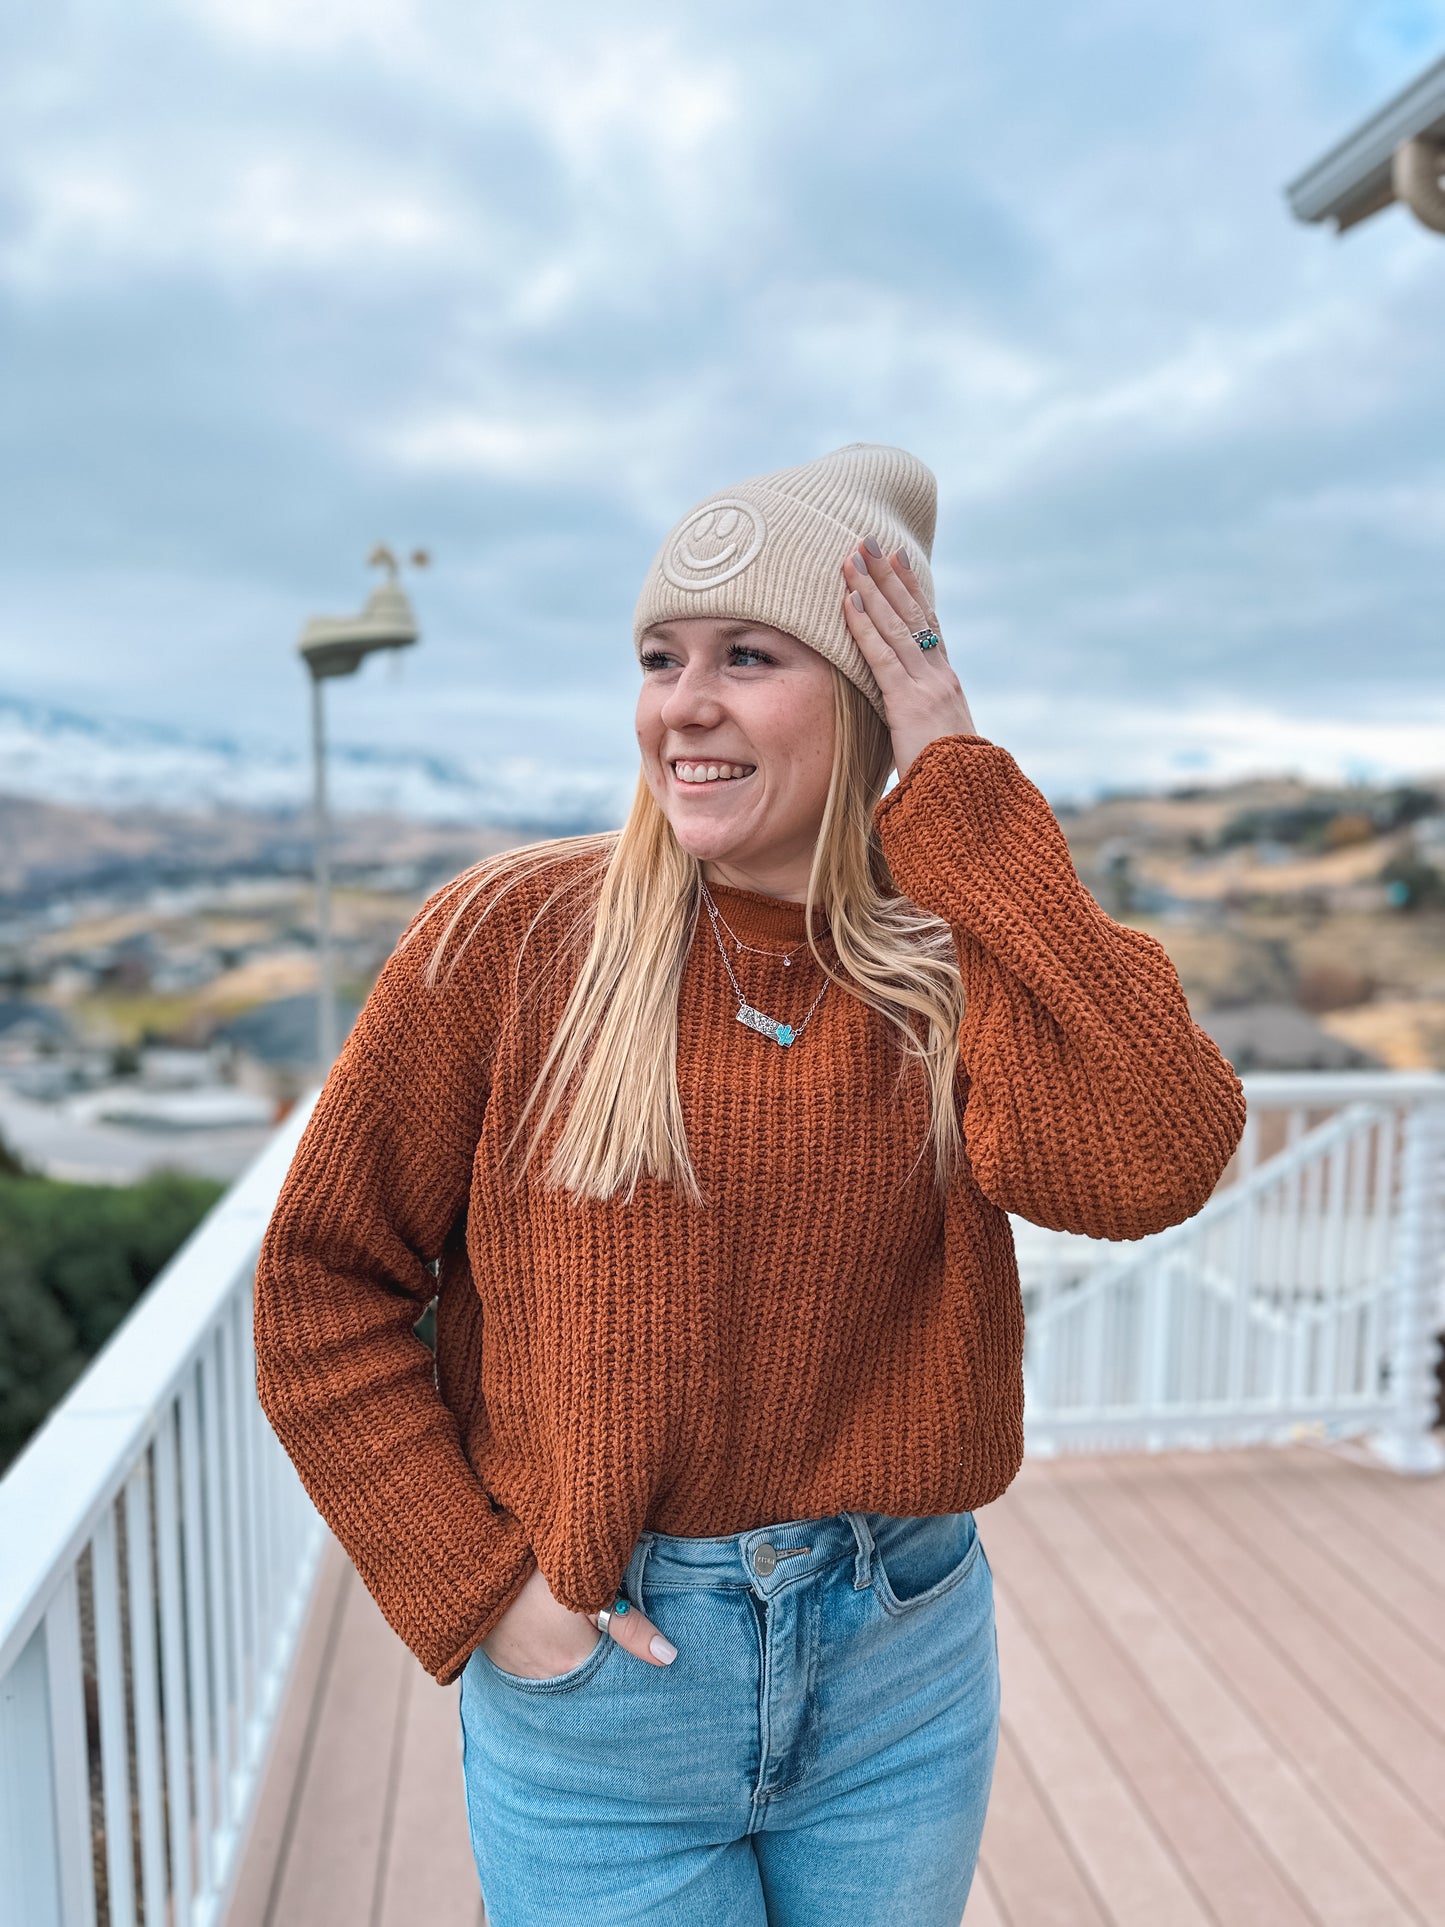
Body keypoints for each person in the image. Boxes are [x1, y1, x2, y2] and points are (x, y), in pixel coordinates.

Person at [254, 443, 1246, 1925]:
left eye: (748, 656)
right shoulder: (510, 943)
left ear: (862, 695)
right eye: (659, 657)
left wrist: (957, 786)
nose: (683, 704)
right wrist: (480, 1595)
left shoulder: (948, 960)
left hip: (898, 1658)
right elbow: (320, 1289)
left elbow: (1150, 1159)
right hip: (602, 1682)